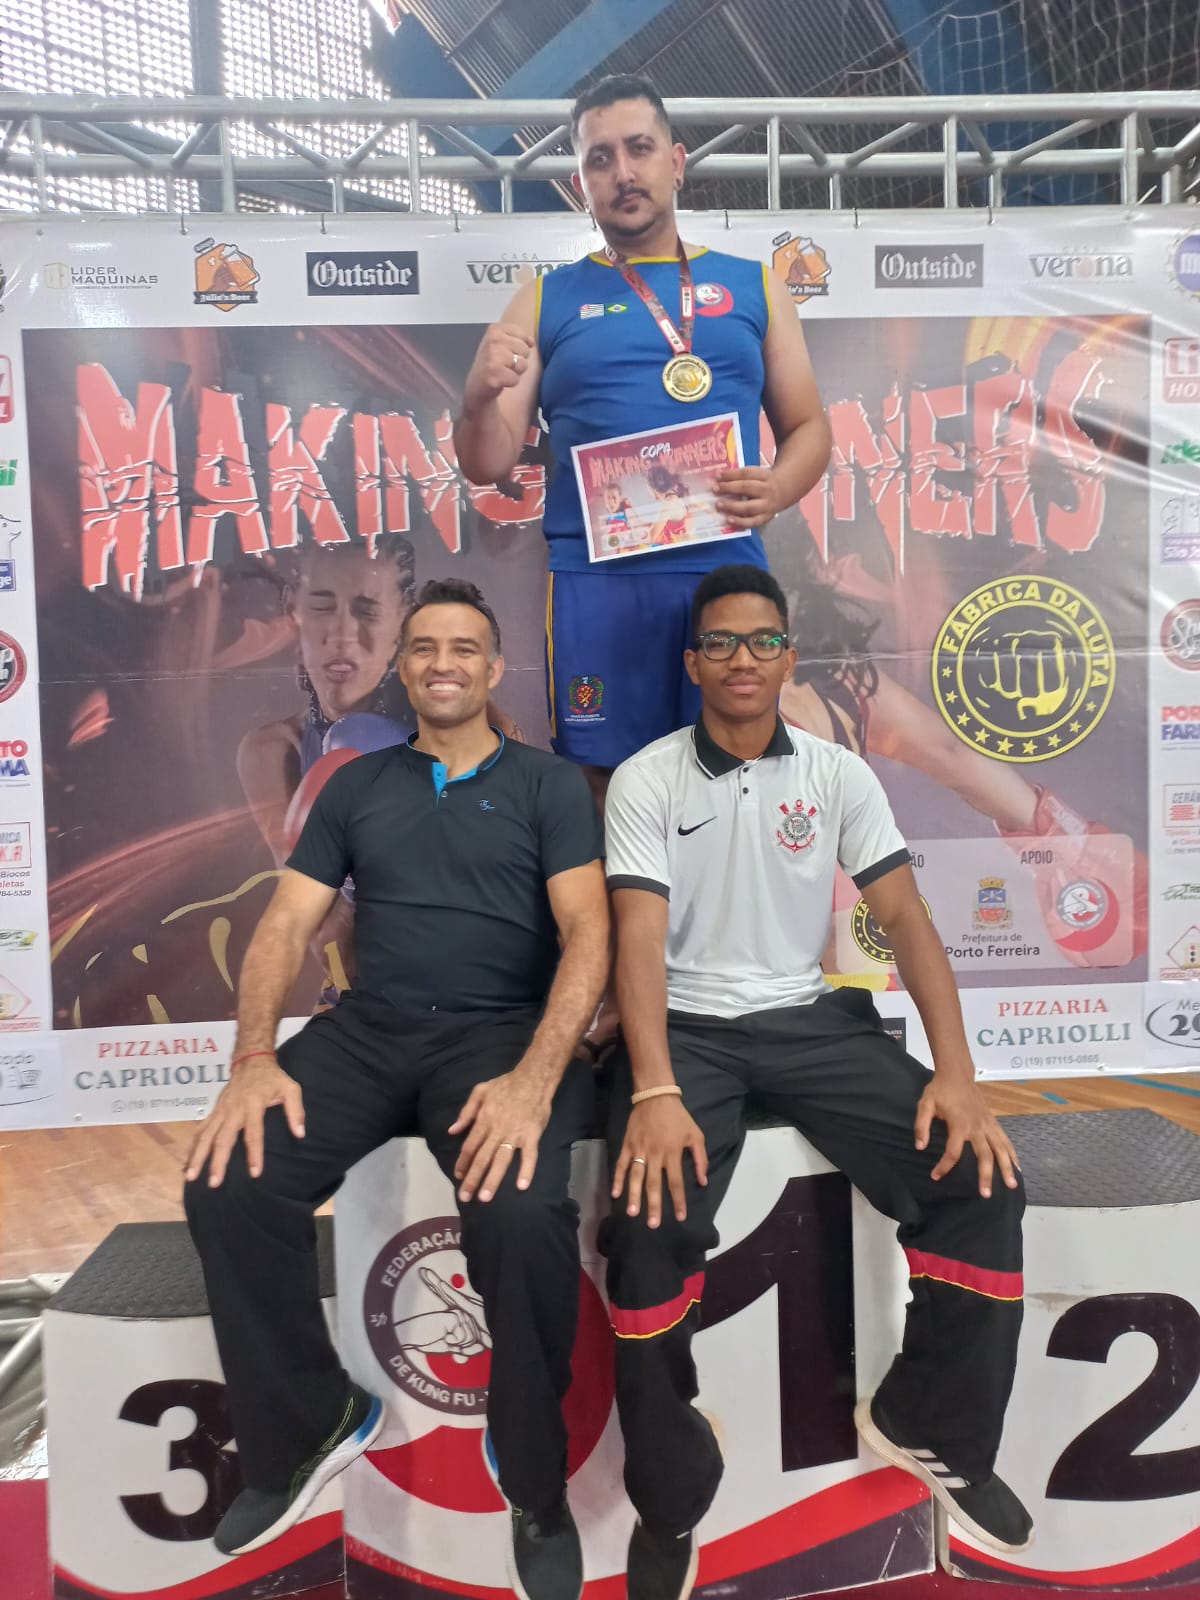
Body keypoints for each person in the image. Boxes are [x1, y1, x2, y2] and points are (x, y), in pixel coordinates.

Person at [600, 564, 1032, 1600]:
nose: (742, 659)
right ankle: (671, 1491)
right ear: (694, 662)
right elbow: (638, 942)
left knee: (981, 1182)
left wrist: (958, 1074)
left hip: (805, 1017)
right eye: (721, 643)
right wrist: (653, 1089)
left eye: (762, 640)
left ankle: (933, 1421)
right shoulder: (647, 778)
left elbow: (907, 918)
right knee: (644, 1228)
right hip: (687, 1029)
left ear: (790, 655)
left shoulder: (837, 775)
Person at [184, 577, 609, 1600]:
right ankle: (307, 1420)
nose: (442, 664)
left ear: (494, 668)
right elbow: (285, 926)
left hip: (501, 1035)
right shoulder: (355, 786)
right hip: (372, 1030)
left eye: (463, 648)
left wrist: (536, 1077)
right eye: (424, 648)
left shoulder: (550, 785)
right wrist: (252, 1059)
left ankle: (535, 1480)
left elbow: (590, 934)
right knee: (228, 1182)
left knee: (518, 1213)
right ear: (401, 666)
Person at [453, 73, 831, 802]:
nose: (622, 172)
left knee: (738, 776)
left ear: (677, 162)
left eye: (639, 149)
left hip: (722, 574)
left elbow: (810, 428)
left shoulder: (755, 286)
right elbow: (488, 460)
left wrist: (780, 486)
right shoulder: (543, 299)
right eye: (600, 158)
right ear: (580, 183)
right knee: (603, 783)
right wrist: (476, 398)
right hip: (598, 585)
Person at [237, 535, 523, 999]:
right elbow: (334, 953)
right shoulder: (273, 753)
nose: (343, 634)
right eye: (322, 606)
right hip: (366, 1003)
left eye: (367, 611)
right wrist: (355, 875)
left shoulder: (474, 725)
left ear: (401, 622)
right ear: (293, 610)